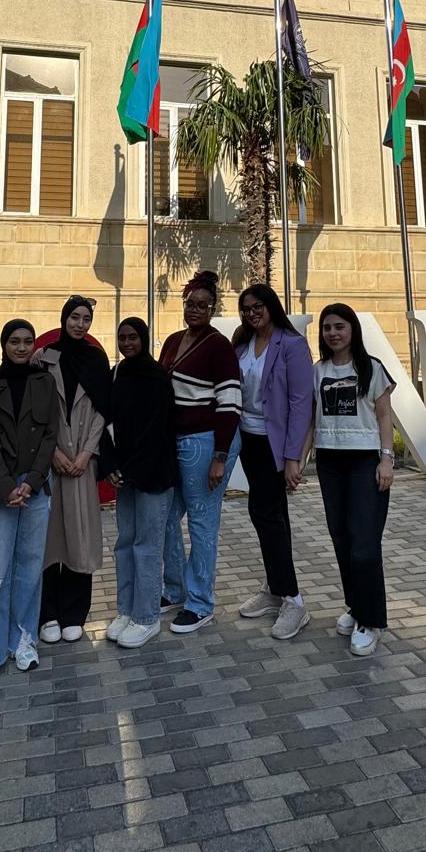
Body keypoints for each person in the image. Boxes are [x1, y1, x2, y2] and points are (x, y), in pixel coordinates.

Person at [0, 319, 61, 679]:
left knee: (29, 568)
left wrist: (33, 482)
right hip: (1, 489)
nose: (21, 348)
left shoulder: (44, 382)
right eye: (14, 341)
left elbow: (51, 433)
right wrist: (6, 485)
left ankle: (23, 639)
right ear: (4, 344)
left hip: (34, 489)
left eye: (27, 341)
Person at [308, 302, 395, 657]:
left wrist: (386, 459)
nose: (333, 333)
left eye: (339, 326)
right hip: (330, 461)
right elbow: (311, 419)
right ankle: (355, 605)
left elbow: (385, 416)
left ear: (352, 330)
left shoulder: (372, 368)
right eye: (327, 327)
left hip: (364, 461)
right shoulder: (318, 371)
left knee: (364, 544)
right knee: (341, 538)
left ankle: (371, 621)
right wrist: (298, 460)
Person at [159, 271, 242, 633]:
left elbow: (230, 403)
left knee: (202, 522)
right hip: (177, 441)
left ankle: (200, 602)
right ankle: (176, 588)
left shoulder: (218, 346)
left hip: (207, 441)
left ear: (213, 309)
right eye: (190, 303)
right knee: (165, 517)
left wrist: (220, 457)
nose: (195, 309)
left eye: (203, 305)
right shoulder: (172, 341)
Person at [232, 284, 313, 639]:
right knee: (274, 515)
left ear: (271, 306)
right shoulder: (242, 344)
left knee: (264, 514)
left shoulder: (291, 344)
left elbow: (301, 403)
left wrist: (293, 457)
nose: (252, 313)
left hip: (274, 443)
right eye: (246, 308)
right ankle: (275, 589)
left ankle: (294, 600)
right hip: (247, 439)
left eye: (258, 306)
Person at [33, 296, 110, 643]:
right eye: (75, 317)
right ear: (64, 318)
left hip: (82, 463)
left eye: (86, 319)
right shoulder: (43, 357)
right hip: (51, 464)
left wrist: (86, 454)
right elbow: (34, 411)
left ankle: (75, 612)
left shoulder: (96, 359)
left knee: (80, 536)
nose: (80, 324)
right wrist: (52, 453)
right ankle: (47, 612)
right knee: (49, 539)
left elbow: (102, 411)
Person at [105, 318, 177, 649]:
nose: (127, 343)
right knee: (125, 544)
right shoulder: (117, 374)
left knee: (147, 547)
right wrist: (111, 465)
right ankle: (127, 610)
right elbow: (104, 421)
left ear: (144, 338)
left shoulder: (157, 377)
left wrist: (130, 468)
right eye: (122, 337)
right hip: (125, 475)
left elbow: (157, 430)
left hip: (153, 475)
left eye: (133, 337)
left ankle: (147, 617)